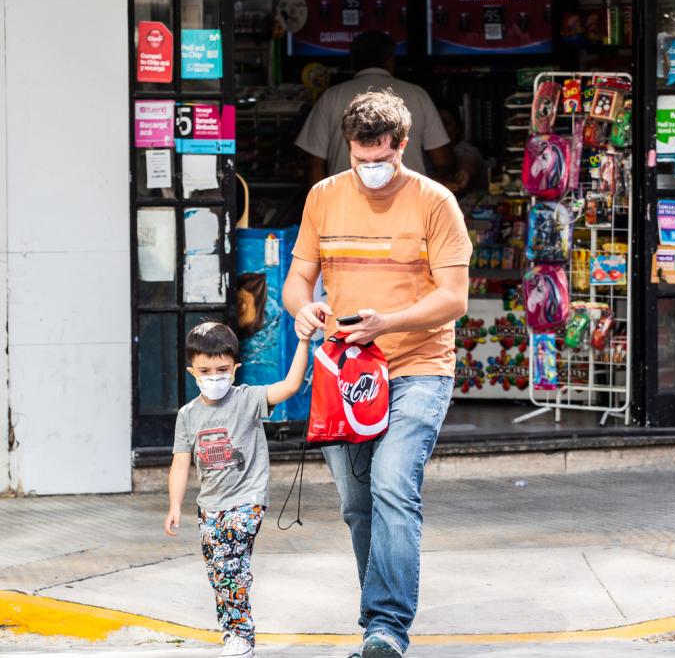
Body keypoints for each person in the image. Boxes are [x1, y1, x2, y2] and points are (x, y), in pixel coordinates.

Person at [282, 90, 473, 658]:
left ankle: (387, 626)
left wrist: (387, 323)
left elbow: (455, 298)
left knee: (392, 485)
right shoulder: (323, 196)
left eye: (381, 158)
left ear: (402, 146)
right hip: (346, 373)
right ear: (347, 146)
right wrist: (303, 309)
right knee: (356, 503)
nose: (370, 168)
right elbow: (298, 280)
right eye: (360, 158)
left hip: (418, 367)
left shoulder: (435, 202)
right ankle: (377, 623)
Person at [165, 321, 311, 658]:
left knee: (229, 563)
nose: (214, 377)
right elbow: (180, 463)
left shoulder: (248, 399)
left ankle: (242, 637)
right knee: (219, 571)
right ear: (192, 372)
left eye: (222, 370)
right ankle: (232, 632)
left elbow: (290, 386)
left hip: (247, 499)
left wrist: (303, 341)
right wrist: (174, 506)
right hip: (209, 506)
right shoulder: (188, 415)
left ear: (235, 368)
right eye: (205, 371)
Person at [296, 31, 452, 183]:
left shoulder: (331, 97)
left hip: (346, 198)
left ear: (353, 60)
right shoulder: (418, 95)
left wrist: (323, 199)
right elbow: (442, 161)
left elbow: (314, 164)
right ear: (390, 59)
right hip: (408, 197)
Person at [436, 102, 488, 196]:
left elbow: (468, 160)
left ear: (457, 128)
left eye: (446, 123)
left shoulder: (465, 149)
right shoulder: (425, 154)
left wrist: (464, 172)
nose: (441, 128)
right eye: (437, 124)